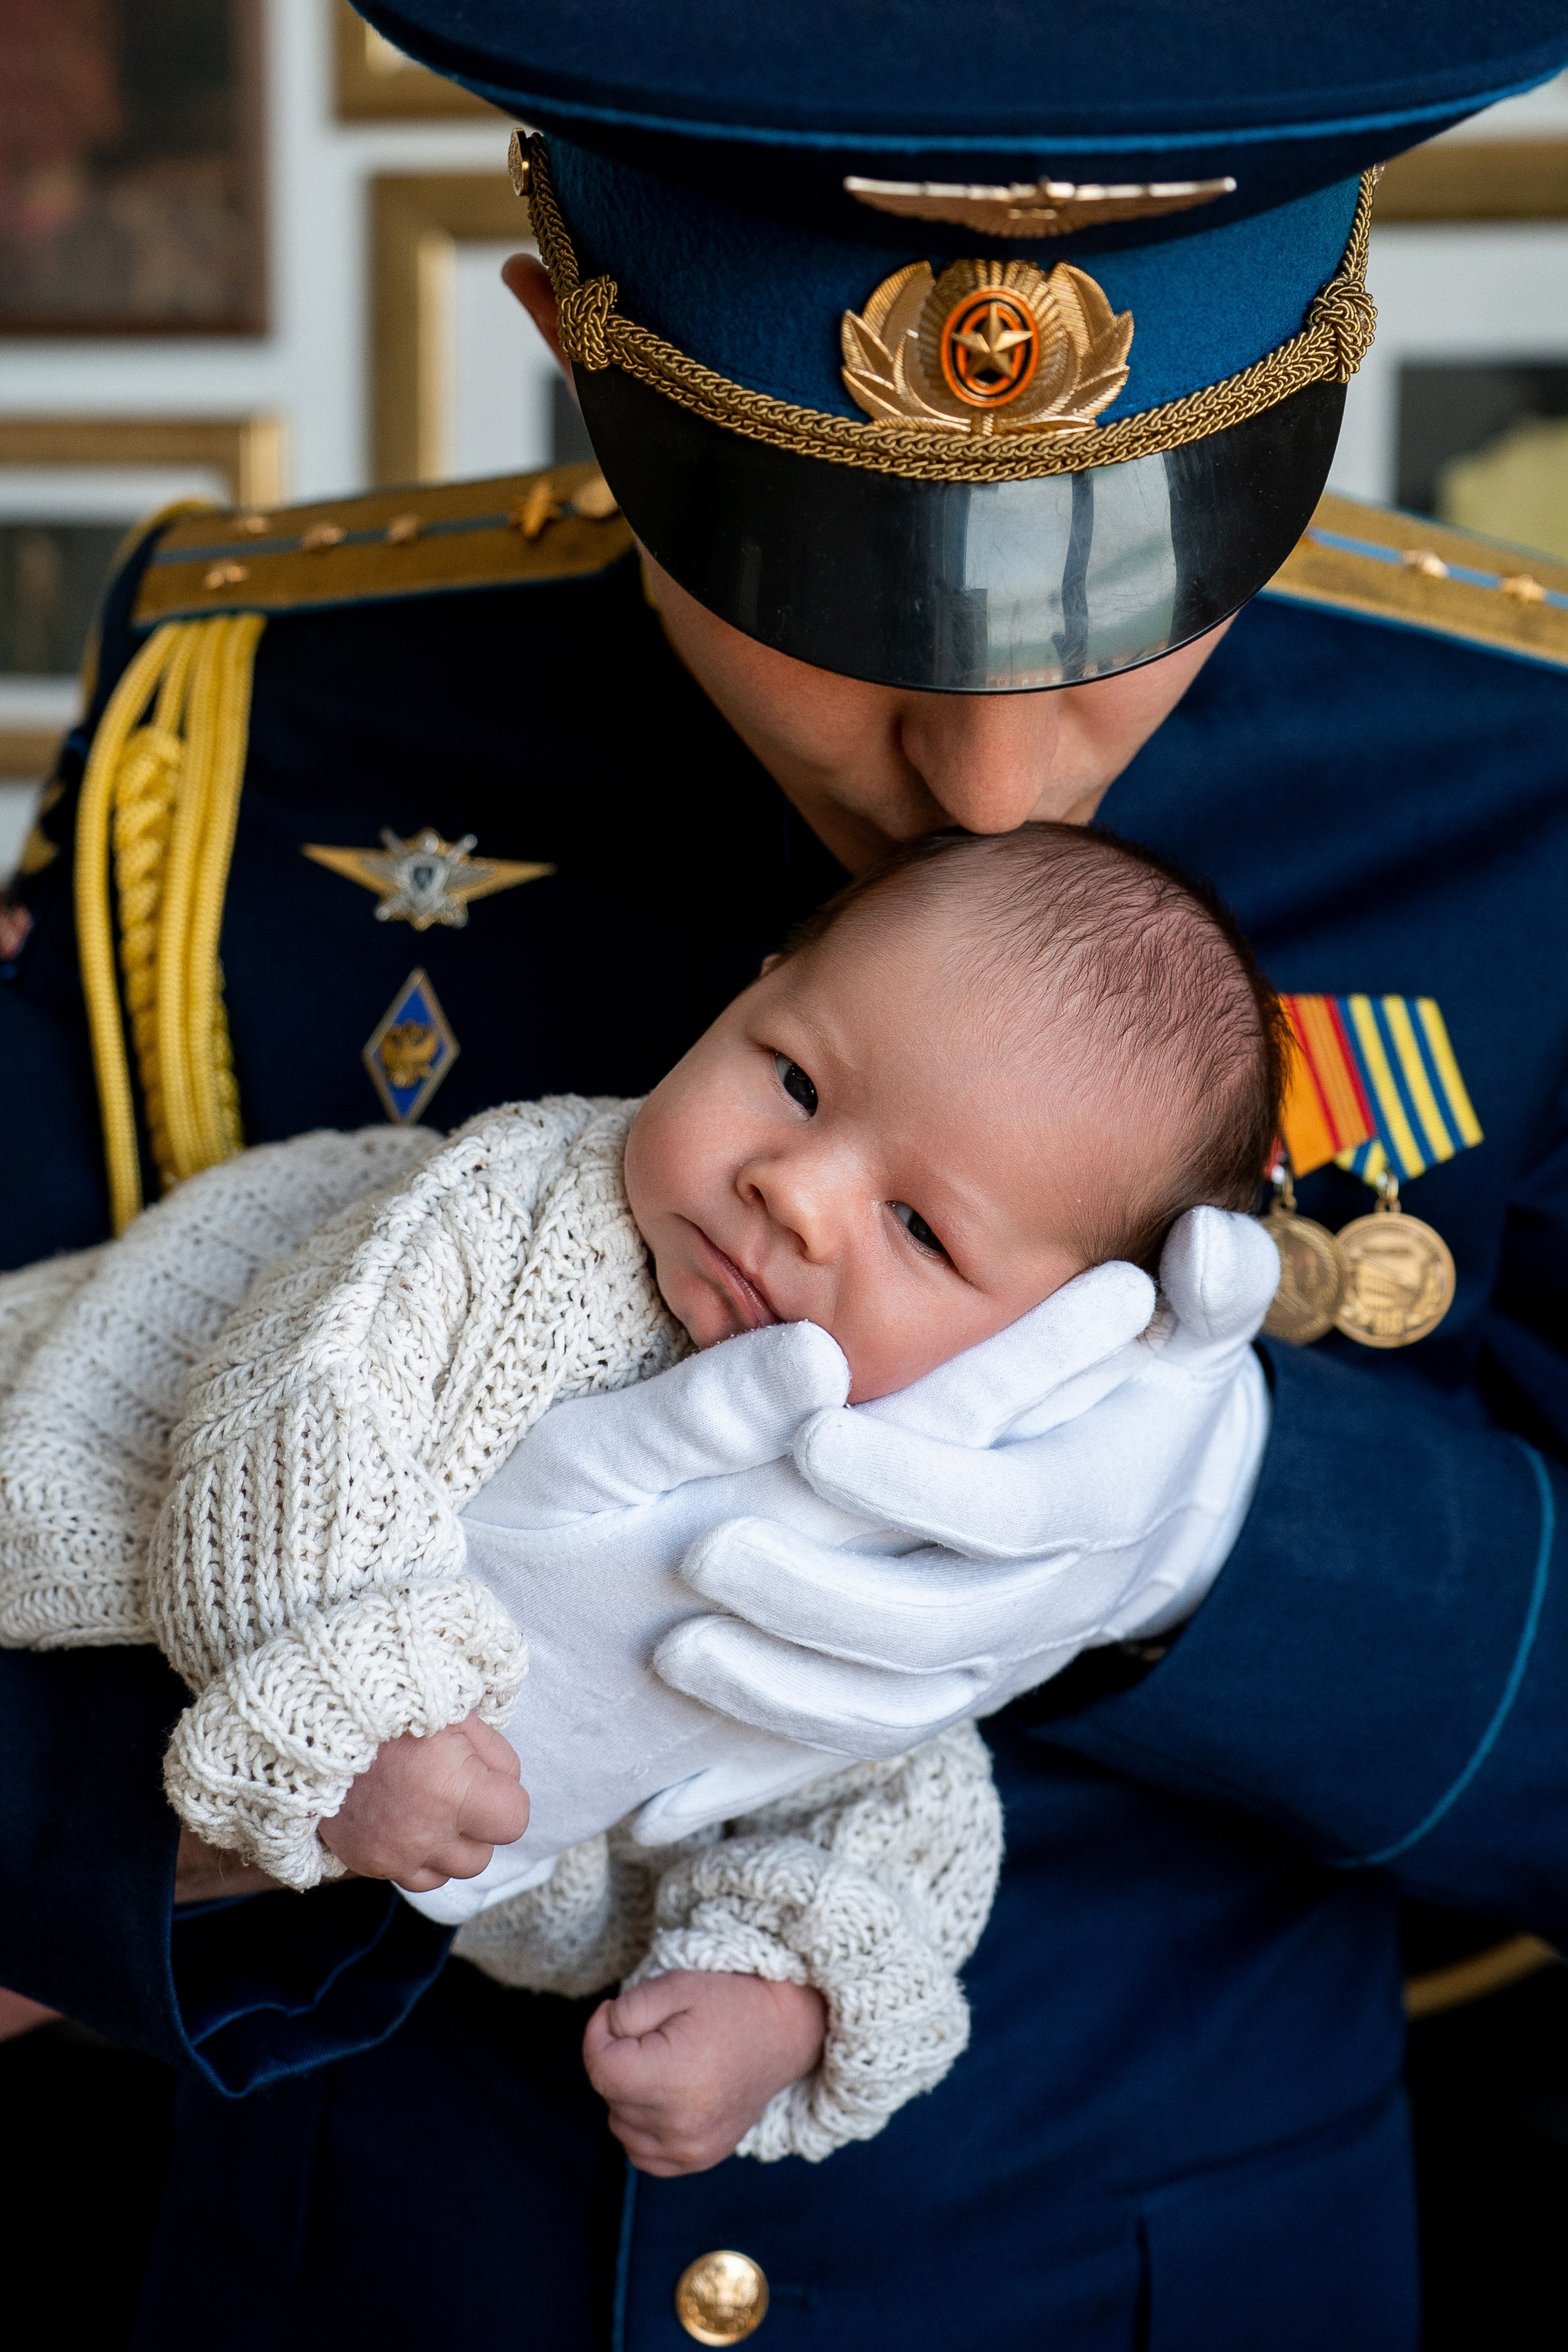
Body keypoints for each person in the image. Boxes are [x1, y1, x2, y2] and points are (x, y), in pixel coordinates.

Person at [3, 4, 1568, 2344]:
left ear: (1330, 337)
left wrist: (1239, 1540)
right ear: (570, 333)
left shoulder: (1523, 780)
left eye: (1137, 587)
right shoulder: (262, 714)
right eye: (845, 603)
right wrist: (284, 1781)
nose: (997, 775)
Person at [0, 822, 1281, 2179]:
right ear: (756, 988)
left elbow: (902, 1786)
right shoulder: (523, 1218)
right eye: (793, 1079)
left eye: (921, 1228)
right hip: (59, 1490)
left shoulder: (945, 1501)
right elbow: (300, 1424)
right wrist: (365, 1722)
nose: (795, 1191)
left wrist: (777, 1992)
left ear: (1067, 1335)